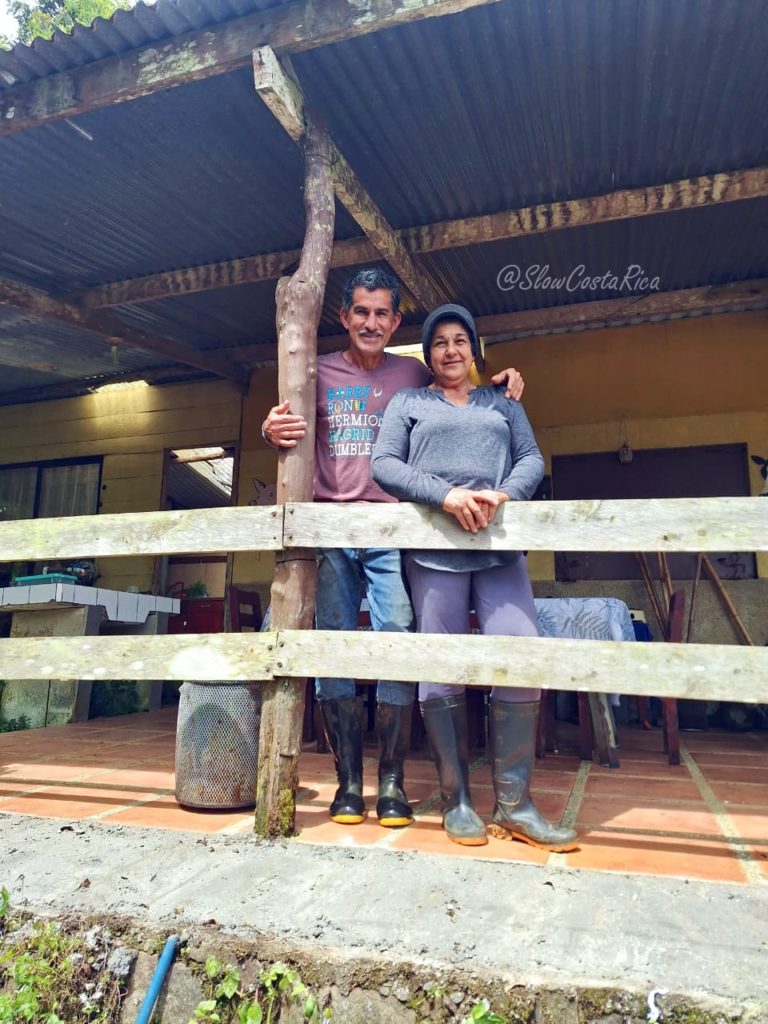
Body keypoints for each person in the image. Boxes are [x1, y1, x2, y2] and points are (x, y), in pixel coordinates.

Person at [262, 270, 524, 829]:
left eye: (382, 314)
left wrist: (500, 379)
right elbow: (287, 419)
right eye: (362, 312)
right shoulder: (317, 371)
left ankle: (393, 782)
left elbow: (460, 377)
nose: (372, 323)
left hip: (392, 529)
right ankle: (349, 782)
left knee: (399, 635)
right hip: (333, 525)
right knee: (333, 643)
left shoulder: (411, 373)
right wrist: (270, 427)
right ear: (345, 315)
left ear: (395, 321)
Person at [371, 303, 578, 851]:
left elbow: (532, 458)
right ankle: (457, 798)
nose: (451, 350)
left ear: (475, 349)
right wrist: (445, 494)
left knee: (521, 650)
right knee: (441, 665)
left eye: (461, 340)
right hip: (434, 546)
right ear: (428, 354)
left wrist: (503, 492)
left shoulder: (503, 401)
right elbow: (385, 464)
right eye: (439, 342)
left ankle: (516, 804)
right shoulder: (408, 402)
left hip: (498, 544)